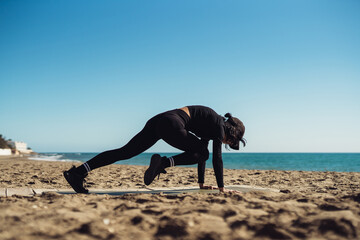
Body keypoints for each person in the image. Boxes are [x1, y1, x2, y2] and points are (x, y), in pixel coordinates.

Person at [63, 105, 246, 193]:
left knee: (124, 152)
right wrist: (222, 189)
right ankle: (163, 163)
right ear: (231, 132)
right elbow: (216, 159)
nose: (225, 143)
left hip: (160, 120)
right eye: (229, 142)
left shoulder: (212, 122)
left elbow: (200, 156)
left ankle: (77, 173)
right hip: (173, 123)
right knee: (204, 153)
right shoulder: (218, 126)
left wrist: (200, 184)